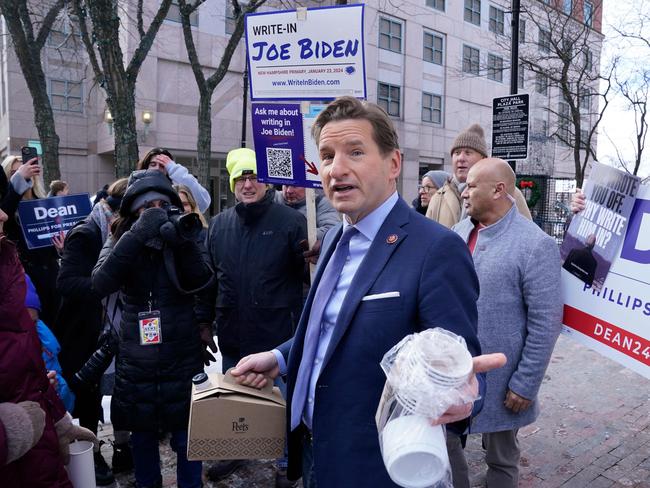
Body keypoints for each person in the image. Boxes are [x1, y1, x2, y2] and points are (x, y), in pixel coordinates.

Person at [228, 97, 507, 487]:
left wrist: (463, 392)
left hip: (378, 466)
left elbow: (460, 365)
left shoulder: (435, 249)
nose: (336, 168)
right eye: (326, 155)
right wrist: (280, 357)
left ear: (393, 164)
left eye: (355, 152)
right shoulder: (331, 242)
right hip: (314, 453)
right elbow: (334, 328)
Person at [92, 170, 213, 488]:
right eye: (148, 208)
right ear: (133, 212)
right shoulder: (120, 237)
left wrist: (182, 242)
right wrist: (135, 236)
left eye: (162, 204)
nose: (156, 212)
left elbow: (202, 279)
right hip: (137, 358)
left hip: (181, 354)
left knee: (188, 436)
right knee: (143, 437)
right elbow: (100, 282)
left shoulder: (182, 235)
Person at [197, 148, 307, 486]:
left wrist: (310, 258)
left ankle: (288, 462)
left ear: (266, 181)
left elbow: (307, 279)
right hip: (233, 329)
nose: (248, 184)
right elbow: (209, 279)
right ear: (232, 184)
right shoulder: (218, 225)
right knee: (238, 399)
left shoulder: (291, 221)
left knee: (285, 404)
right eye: (240, 178)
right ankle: (237, 449)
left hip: (279, 333)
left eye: (253, 176)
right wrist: (203, 322)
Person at [452, 158, 562, 487]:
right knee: (444, 445)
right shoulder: (458, 232)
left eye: (472, 185)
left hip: (503, 381)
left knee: (501, 459)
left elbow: (546, 321)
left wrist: (525, 383)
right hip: (453, 370)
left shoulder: (534, 244)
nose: (464, 191)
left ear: (499, 190)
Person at [0, 204, 98, 487]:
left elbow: (29, 374)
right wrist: (8, 431)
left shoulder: (9, 267)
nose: (4, 215)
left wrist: (57, 419)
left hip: (41, 458)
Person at [55, 177, 129, 485]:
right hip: (83, 330)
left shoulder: (119, 228)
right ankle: (90, 452)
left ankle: (120, 448)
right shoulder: (86, 233)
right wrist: (104, 283)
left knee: (106, 392)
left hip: (111, 325)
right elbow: (67, 283)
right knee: (87, 395)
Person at [425, 124, 531, 227]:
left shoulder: (508, 193)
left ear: (483, 159)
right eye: (457, 153)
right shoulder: (439, 197)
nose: (460, 158)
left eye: (468, 153)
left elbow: (526, 234)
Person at [1, 155, 61, 326]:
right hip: (22, 279)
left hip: (50, 277)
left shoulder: (43, 204)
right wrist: (17, 183)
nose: (24, 174)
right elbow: (4, 217)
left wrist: (61, 248)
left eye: (28, 170)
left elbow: (51, 243)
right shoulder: (6, 206)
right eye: (15, 172)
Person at [275, 184, 340, 263]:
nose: (289, 191)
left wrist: (294, 234)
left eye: (295, 186)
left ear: (308, 187)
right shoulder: (273, 198)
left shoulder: (321, 202)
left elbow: (332, 230)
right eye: (286, 185)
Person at [137, 147, 211, 213]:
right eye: (153, 164)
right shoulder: (136, 188)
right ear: (145, 167)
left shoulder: (174, 191)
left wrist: (174, 169)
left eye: (162, 166)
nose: (157, 168)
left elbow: (203, 203)